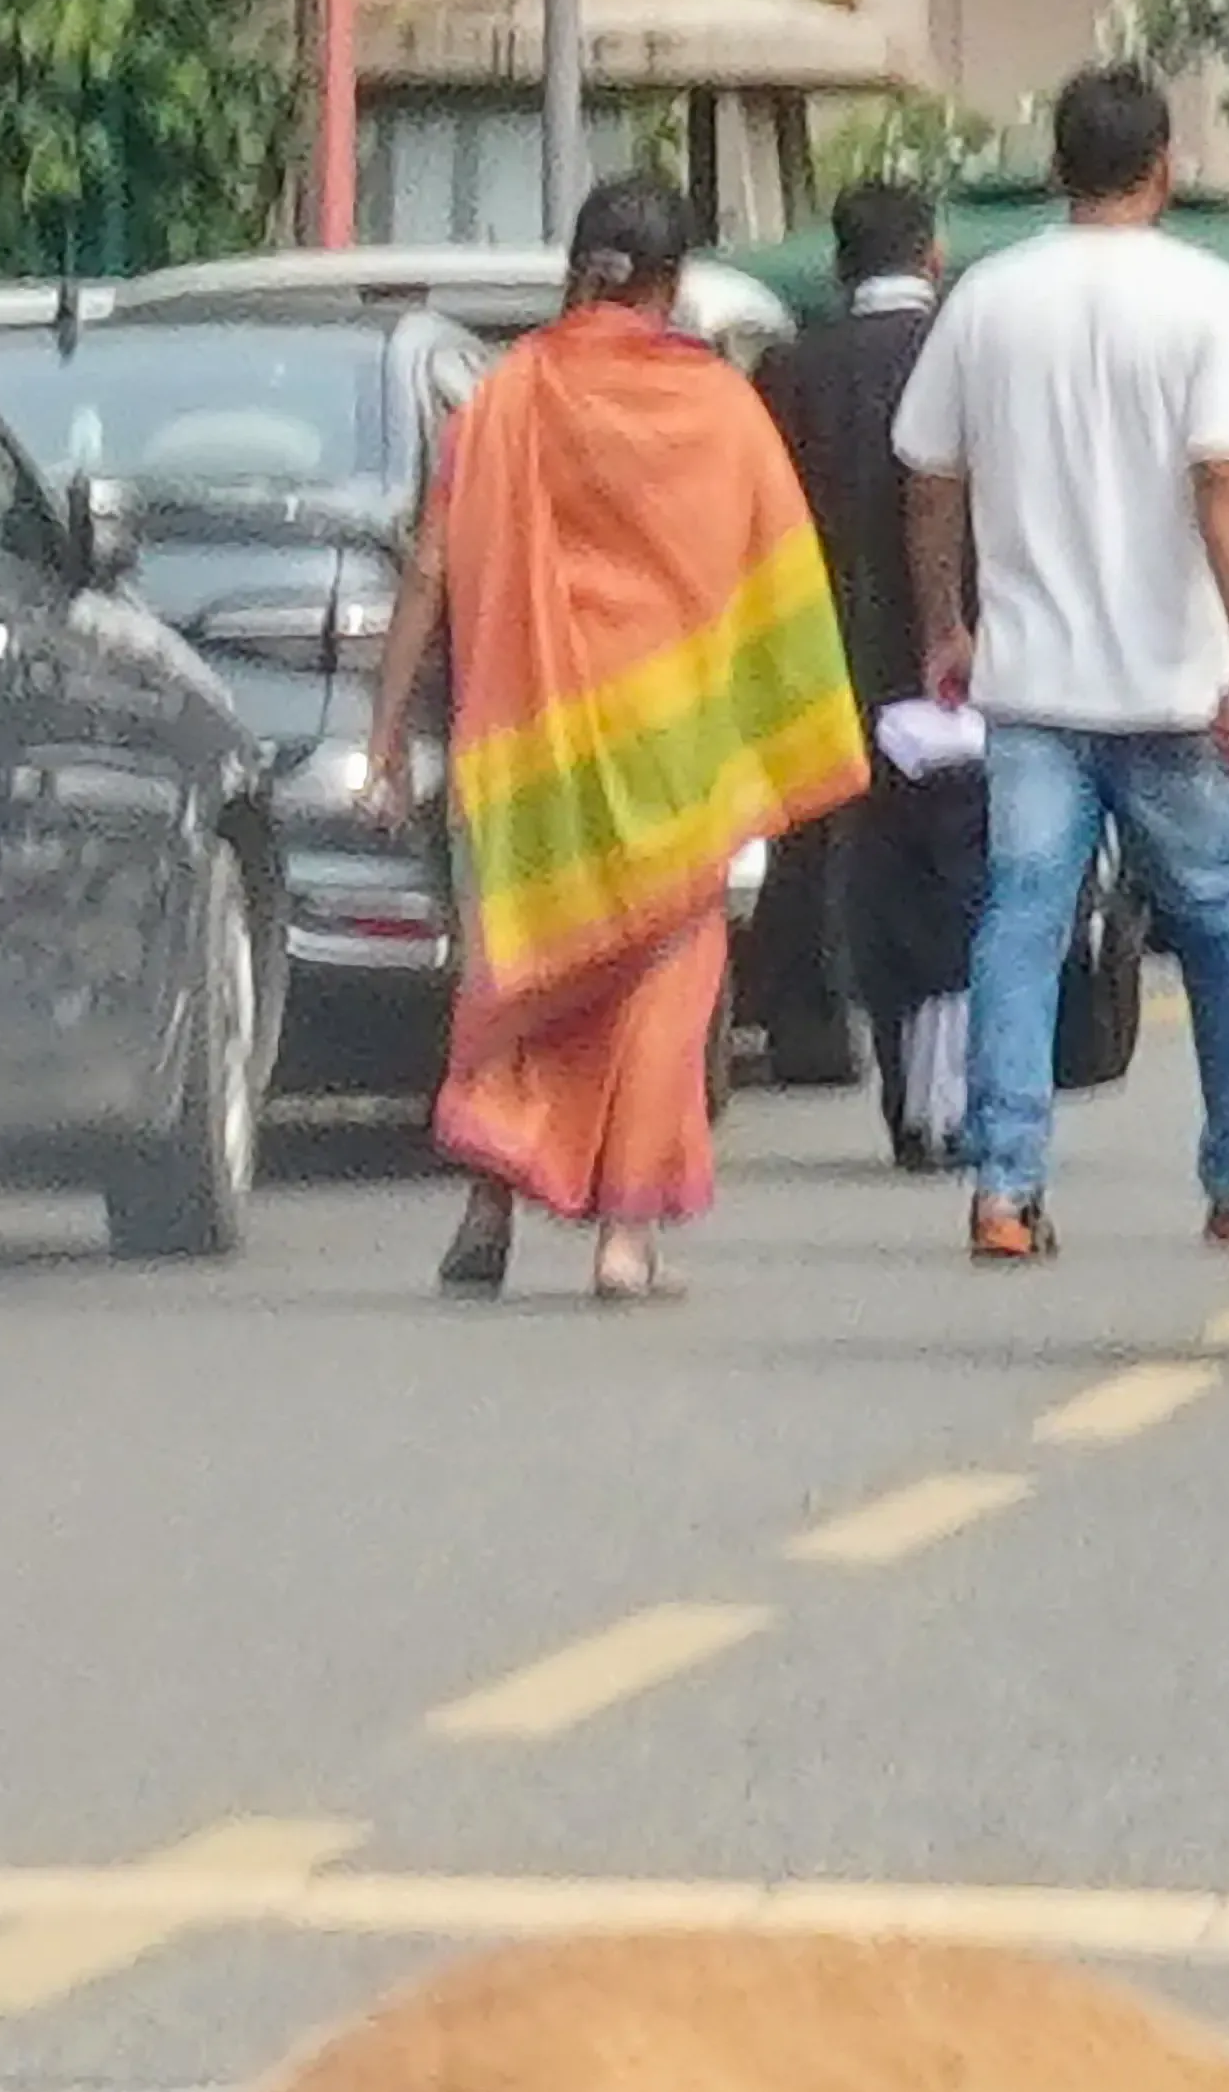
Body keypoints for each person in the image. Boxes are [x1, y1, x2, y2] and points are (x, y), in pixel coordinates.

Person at [361, 169, 863, 1308]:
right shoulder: (723, 411)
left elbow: (431, 567)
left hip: (527, 758)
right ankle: (622, 1243)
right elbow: (777, 578)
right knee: (658, 993)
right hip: (672, 757)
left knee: (518, 978)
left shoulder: (502, 399)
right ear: (673, 285)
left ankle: (488, 1207)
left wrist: (386, 731)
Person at [889, 59, 1229, 1274]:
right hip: (1172, 685)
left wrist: (946, 622)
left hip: (1030, 684)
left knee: (1018, 925)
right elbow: (1227, 474)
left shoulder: (986, 297)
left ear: (1055, 168)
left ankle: (1005, 1185)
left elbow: (929, 478)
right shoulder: (1203, 294)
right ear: (1164, 168)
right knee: (1218, 931)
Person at [748, 172, 988, 1157]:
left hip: (820, 657)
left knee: (835, 863)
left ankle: (836, 1036)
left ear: (841, 265)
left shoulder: (789, 373)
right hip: (959, 657)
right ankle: (953, 1090)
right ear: (930, 254)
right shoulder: (963, 354)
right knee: (957, 876)